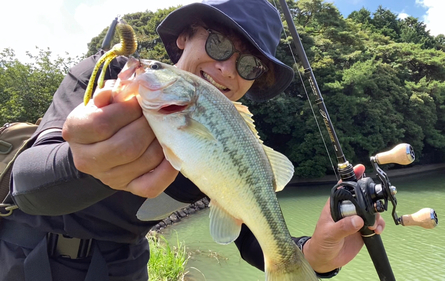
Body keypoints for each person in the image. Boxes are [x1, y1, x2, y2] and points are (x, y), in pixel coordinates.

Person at [0, 0, 385, 280]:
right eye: (219, 44)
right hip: (20, 254)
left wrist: (315, 255)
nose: (225, 68)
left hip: (121, 269)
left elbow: (253, 236)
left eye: (249, 65)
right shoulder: (107, 78)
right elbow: (29, 185)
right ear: (184, 37)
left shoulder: (234, 142)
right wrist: (79, 161)